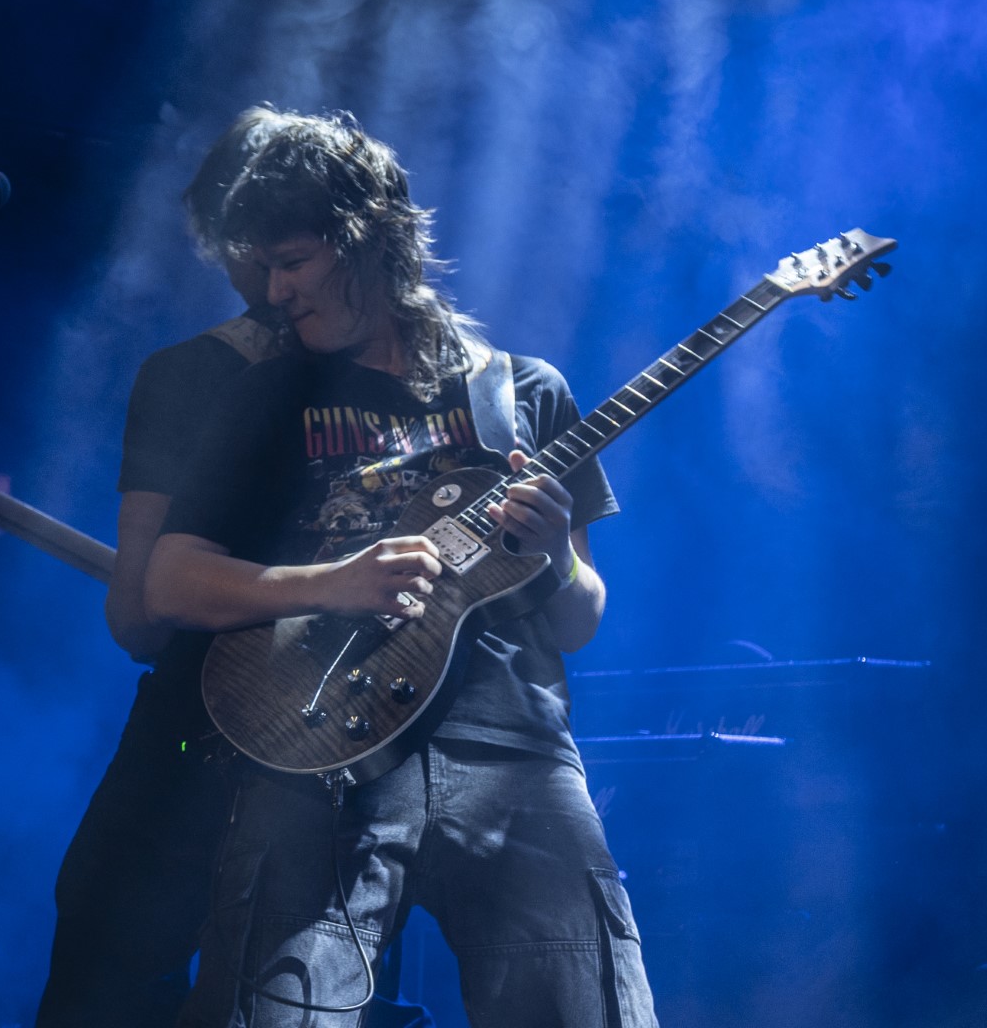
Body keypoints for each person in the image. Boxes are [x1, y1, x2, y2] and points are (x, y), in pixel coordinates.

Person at [147, 112, 659, 1027]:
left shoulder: (526, 392)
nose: (275, 291)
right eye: (265, 267)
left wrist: (552, 554)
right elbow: (170, 581)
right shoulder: (268, 397)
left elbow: (580, 620)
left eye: (293, 261)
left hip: (513, 748)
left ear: (369, 239)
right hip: (314, 750)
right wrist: (330, 582)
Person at [34, 108, 434, 1028]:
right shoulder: (426, 374)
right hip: (362, 741)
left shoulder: (191, 373)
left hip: (201, 738)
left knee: (108, 978)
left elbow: (138, 621)